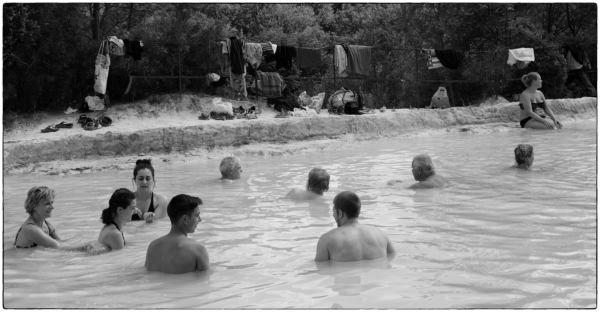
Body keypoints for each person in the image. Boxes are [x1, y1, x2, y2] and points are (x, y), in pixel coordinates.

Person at [315, 191, 395, 262]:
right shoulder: (382, 235)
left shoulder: (327, 239)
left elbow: (320, 270)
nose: (333, 214)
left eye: (333, 211)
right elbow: (393, 257)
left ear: (340, 213)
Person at [145, 194, 210, 274]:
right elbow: (205, 281)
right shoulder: (197, 249)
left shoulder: (152, 246)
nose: (200, 220)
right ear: (185, 219)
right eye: (197, 215)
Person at [14, 186, 90, 251]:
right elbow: (58, 247)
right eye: (47, 204)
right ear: (34, 206)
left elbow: (61, 242)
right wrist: (86, 247)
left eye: (52, 202)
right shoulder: (30, 229)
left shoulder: (47, 223)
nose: (52, 207)